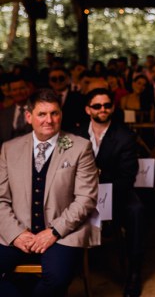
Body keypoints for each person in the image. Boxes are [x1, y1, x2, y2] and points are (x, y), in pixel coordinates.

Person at [0, 88, 100, 296]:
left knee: (56, 279)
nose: (49, 120)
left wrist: (53, 232)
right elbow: (0, 199)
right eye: (42, 114)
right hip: (18, 232)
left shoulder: (80, 147)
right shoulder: (9, 149)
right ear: (29, 117)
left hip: (63, 233)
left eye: (54, 113)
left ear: (61, 115)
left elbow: (86, 199)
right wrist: (17, 234)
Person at [75, 88, 146, 297]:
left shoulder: (124, 135)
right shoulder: (75, 133)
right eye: (97, 106)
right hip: (79, 193)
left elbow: (127, 176)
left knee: (137, 210)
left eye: (107, 105)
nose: (103, 109)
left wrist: (102, 199)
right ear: (88, 109)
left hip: (115, 190)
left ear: (113, 107)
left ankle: (134, 273)